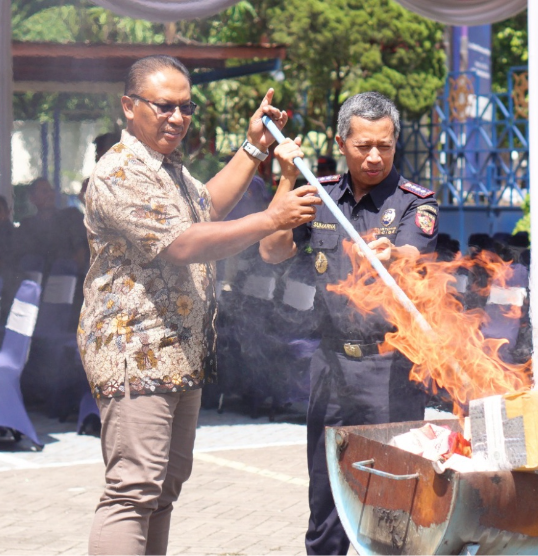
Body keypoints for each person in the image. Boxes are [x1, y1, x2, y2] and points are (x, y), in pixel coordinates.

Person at [77, 55, 320, 556]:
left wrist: (254, 147)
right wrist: (272, 218)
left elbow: (207, 206)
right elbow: (185, 243)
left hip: (179, 353)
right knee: (133, 489)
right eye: (164, 106)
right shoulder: (119, 171)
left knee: (163, 489)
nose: (177, 118)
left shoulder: (169, 171)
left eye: (186, 107)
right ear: (129, 106)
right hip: (135, 352)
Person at [259, 92, 438, 556]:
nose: (375, 156)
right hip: (331, 366)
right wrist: (285, 178)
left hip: (390, 370)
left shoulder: (416, 201)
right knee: (327, 499)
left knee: (394, 502)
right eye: (363, 146)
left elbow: (415, 255)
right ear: (342, 142)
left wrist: (394, 255)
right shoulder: (319, 195)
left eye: (385, 145)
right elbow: (272, 250)